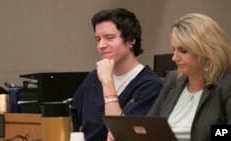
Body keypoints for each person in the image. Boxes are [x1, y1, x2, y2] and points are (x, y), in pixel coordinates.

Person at [72, 8, 162, 141]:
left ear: (131, 40)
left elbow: (120, 134)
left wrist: (107, 82)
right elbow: (71, 117)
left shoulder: (150, 84)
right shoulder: (93, 77)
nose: (101, 45)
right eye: (98, 39)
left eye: (109, 38)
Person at [148, 13, 231, 141]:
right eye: (173, 50)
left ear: (207, 50)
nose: (174, 58)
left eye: (183, 51)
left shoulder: (227, 84)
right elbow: (150, 126)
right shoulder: (173, 79)